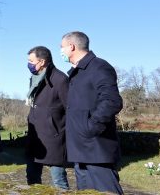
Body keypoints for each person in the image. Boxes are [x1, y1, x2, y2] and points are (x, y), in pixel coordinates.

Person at [61, 31, 123, 194]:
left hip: (96, 148)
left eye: (62, 47)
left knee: (106, 191)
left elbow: (112, 101)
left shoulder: (98, 67)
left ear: (71, 46)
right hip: (81, 149)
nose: (61, 52)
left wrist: (89, 127)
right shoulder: (78, 72)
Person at [25, 46, 69, 189]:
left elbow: (69, 108)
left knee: (59, 181)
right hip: (35, 138)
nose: (28, 64)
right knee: (32, 179)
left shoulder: (60, 79)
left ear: (42, 61)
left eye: (31, 61)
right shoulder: (34, 78)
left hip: (54, 138)